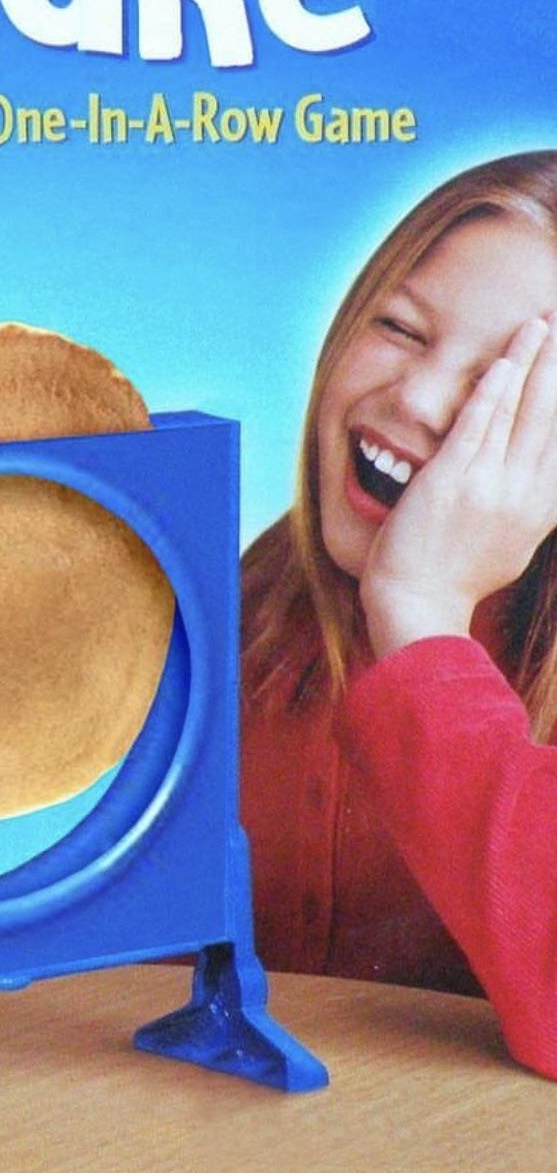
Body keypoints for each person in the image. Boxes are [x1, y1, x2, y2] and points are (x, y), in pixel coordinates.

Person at [240, 151, 557, 1079]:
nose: (417, 397)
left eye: (500, 389)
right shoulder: (252, 604)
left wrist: (421, 612)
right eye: (400, 328)